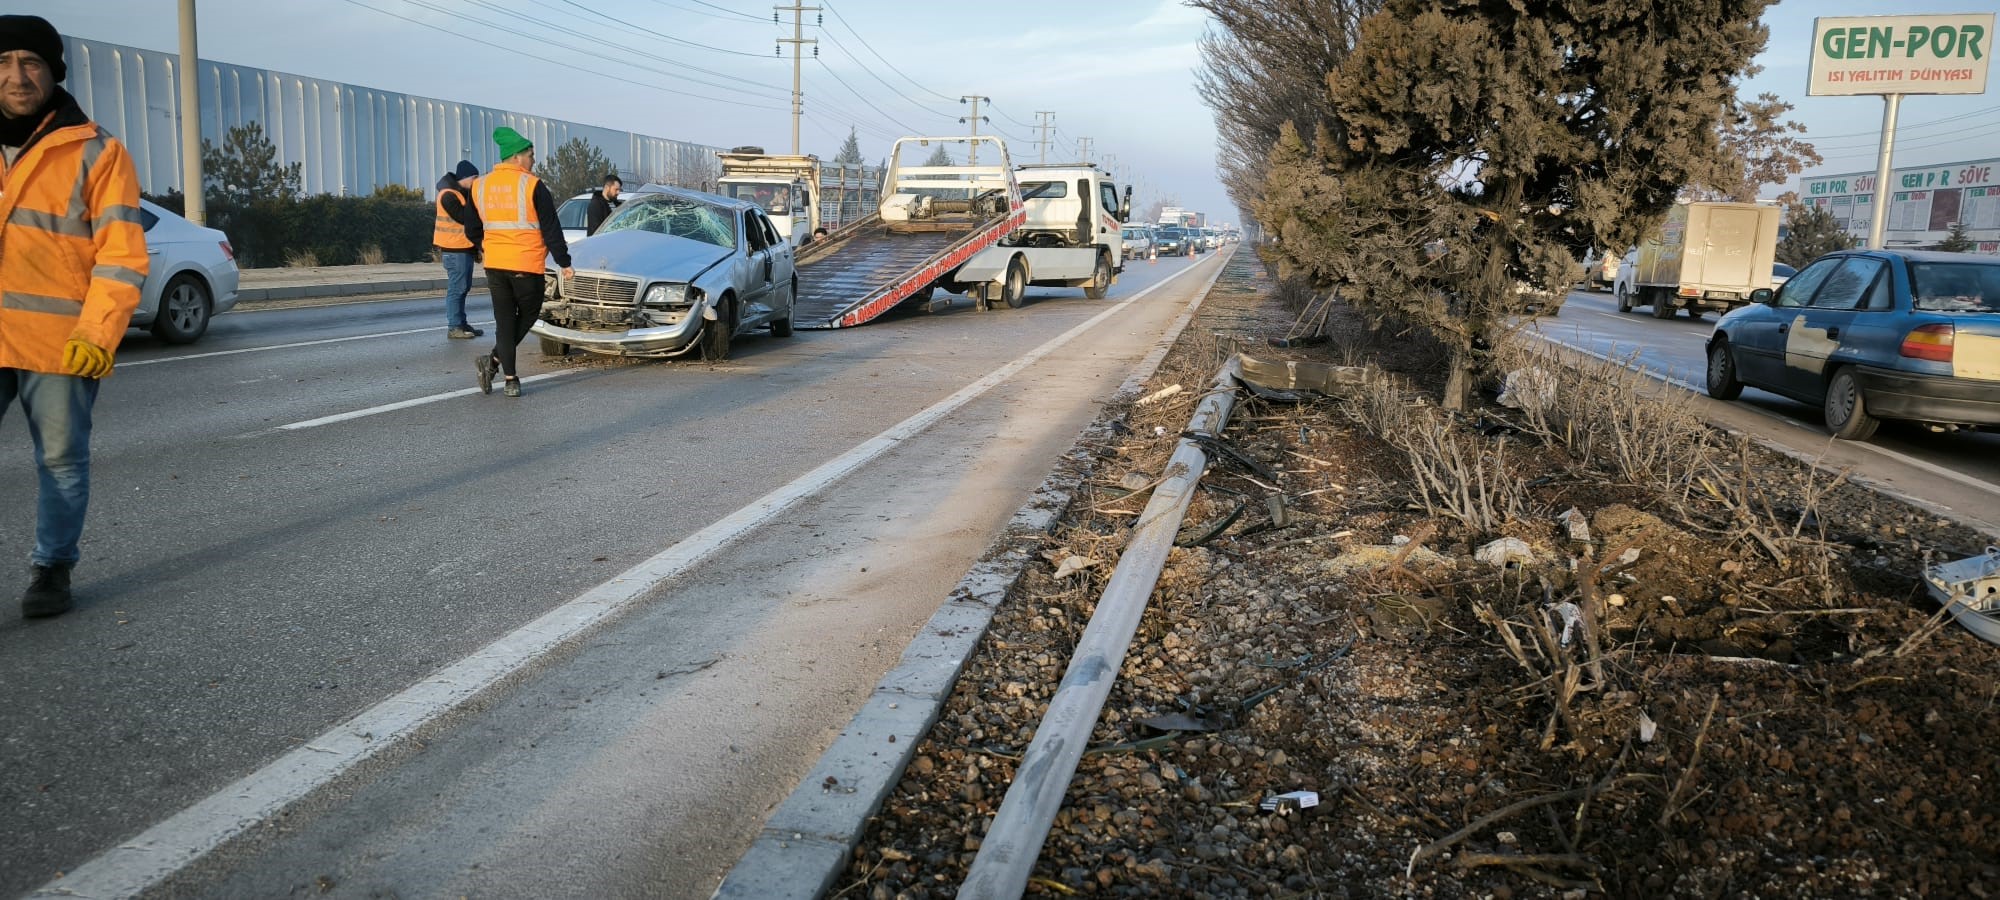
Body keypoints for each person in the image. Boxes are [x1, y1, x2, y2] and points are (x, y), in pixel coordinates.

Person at [0, 15, 147, 618]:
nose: (16, 76)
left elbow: (121, 253)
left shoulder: (98, 151)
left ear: (53, 71)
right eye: (3, 62)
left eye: (30, 62)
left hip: (60, 342)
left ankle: (52, 569)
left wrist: (97, 331)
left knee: (61, 462)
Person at [472, 126, 571, 398]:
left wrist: (482, 247)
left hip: (495, 265)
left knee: (504, 322)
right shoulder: (533, 185)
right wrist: (564, 261)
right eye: (530, 154)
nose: (533, 160)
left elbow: (471, 225)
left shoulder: (480, 185)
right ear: (516, 157)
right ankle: (504, 373)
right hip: (526, 265)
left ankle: (500, 370)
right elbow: (551, 227)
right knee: (526, 316)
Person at [434, 159, 484, 339]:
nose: (477, 182)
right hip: (454, 249)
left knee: (463, 287)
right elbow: (464, 218)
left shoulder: (460, 193)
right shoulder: (448, 195)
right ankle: (454, 326)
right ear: (466, 177)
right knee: (457, 288)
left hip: (462, 248)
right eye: (475, 178)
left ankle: (461, 323)